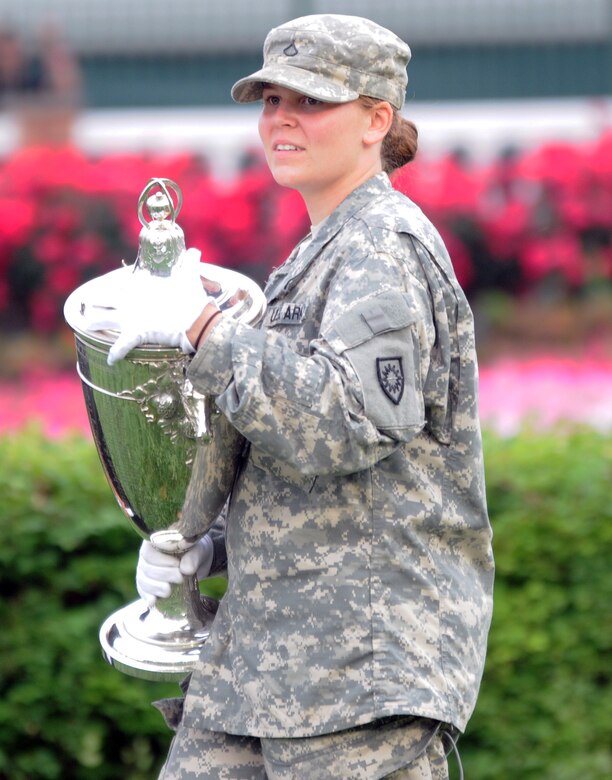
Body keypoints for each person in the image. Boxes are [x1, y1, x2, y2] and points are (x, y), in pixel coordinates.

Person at [108, 14, 495, 779]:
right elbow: (292, 467)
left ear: (375, 121)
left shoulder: (384, 243)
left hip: (361, 678)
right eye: (270, 99)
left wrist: (201, 329)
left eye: (310, 101)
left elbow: (345, 423)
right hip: (263, 670)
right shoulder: (320, 253)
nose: (281, 117)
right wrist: (204, 549)